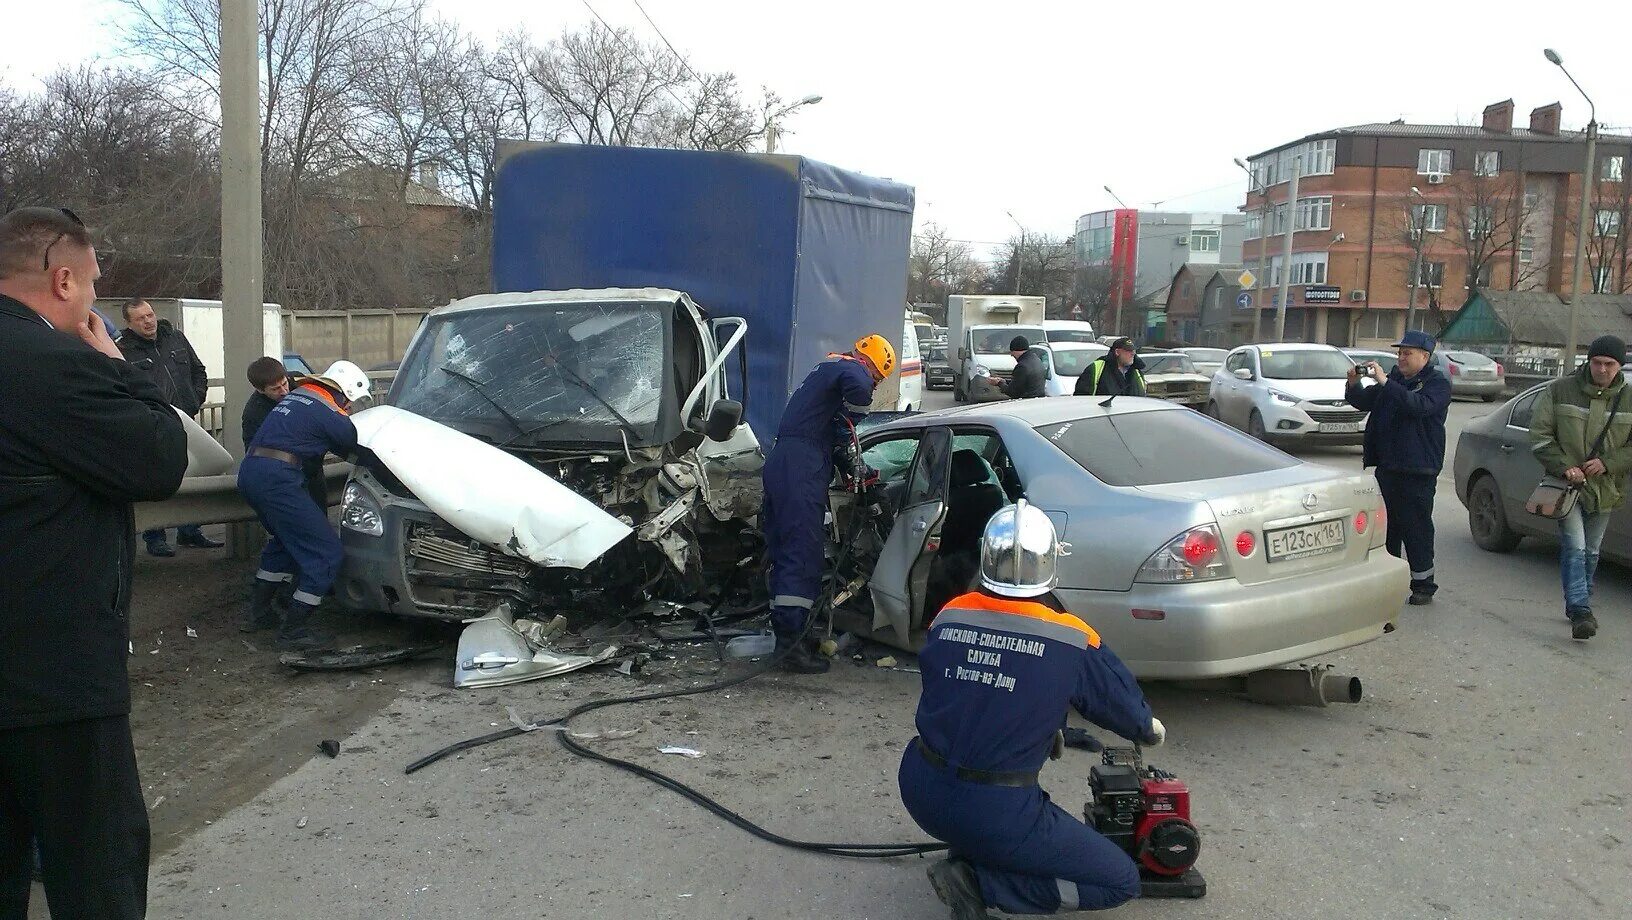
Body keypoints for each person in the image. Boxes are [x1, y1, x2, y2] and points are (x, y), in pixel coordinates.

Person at [0, 206, 188, 919]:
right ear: (64, 277)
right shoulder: (54, 366)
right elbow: (161, 460)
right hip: (53, 680)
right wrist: (120, 368)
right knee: (96, 869)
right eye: (92, 285)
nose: (94, 302)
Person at [900, 501, 1164, 919]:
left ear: (986, 557)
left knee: (975, 795)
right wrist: (1148, 729)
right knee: (1119, 881)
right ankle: (980, 883)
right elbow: (1133, 716)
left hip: (919, 788)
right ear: (1051, 566)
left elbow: (956, 692)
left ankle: (971, 848)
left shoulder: (950, 616)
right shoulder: (1073, 638)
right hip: (997, 813)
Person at [761, 334, 896, 674]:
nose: (874, 388)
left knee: (785, 551)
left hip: (785, 463)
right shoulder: (847, 368)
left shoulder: (823, 379)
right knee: (803, 554)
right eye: (878, 379)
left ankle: (790, 637)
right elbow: (858, 387)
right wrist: (857, 412)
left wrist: (854, 463)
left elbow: (837, 437)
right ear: (871, 364)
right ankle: (790, 649)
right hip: (800, 469)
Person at [238, 360, 371, 648]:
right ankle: (294, 630)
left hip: (252, 473)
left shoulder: (298, 396)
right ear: (345, 391)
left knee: (284, 543)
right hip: (279, 479)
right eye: (349, 402)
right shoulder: (327, 410)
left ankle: (258, 614)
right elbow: (352, 442)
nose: (347, 408)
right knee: (326, 552)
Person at [1529, 335, 1630, 640]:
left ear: (1619, 366)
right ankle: (1580, 610)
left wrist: (1609, 463)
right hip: (1566, 487)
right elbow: (1540, 435)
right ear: (1589, 362)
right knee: (1575, 547)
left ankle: (1579, 602)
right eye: (1597, 362)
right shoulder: (1560, 390)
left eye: (1609, 364)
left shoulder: (1628, 398)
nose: (1602, 369)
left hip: (1605, 487)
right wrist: (1564, 466)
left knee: (1592, 550)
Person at [1344, 330, 1451, 606]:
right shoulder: (1393, 380)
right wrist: (1353, 383)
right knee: (1387, 527)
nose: (1401, 358)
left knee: (1416, 527)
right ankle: (1387, 582)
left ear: (1424, 357)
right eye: (1400, 353)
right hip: (1389, 466)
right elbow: (1363, 401)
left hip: (1418, 468)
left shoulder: (1436, 383)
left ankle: (1423, 584)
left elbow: (1418, 407)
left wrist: (1384, 381)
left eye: (1407, 353)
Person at [117, 297, 220, 556]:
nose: (148, 321)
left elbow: (198, 371)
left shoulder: (175, 338)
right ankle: (156, 536)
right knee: (158, 476)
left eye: (150, 314)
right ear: (129, 324)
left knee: (194, 474)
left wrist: (195, 399)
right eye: (140, 318)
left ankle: (190, 531)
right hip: (153, 424)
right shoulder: (123, 350)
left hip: (187, 420)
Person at [242, 356, 327, 513]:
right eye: (275, 389)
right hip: (284, 479)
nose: (284, 391)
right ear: (260, 390)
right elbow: (255, 453)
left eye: (284, 384)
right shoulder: (254, 414)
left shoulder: (301, 385)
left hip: (313, 473)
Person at [1075, 337, 1146, 397]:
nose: (1133, 353)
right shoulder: (1097, 369)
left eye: (1133, 350)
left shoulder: (1137, 372)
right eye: (1128, 351)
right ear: (1117, 352)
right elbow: (1081, 400)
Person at [980, 335, 1047, 399]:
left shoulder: (1022, 366)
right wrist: (1004, 381)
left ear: (1018, 350)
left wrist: (999, 383)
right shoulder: (1037, 360)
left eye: (1012, 351)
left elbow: (1013, 392)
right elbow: (1020, 383)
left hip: (1026, 403)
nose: (1011, 355)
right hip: (1038, 401)